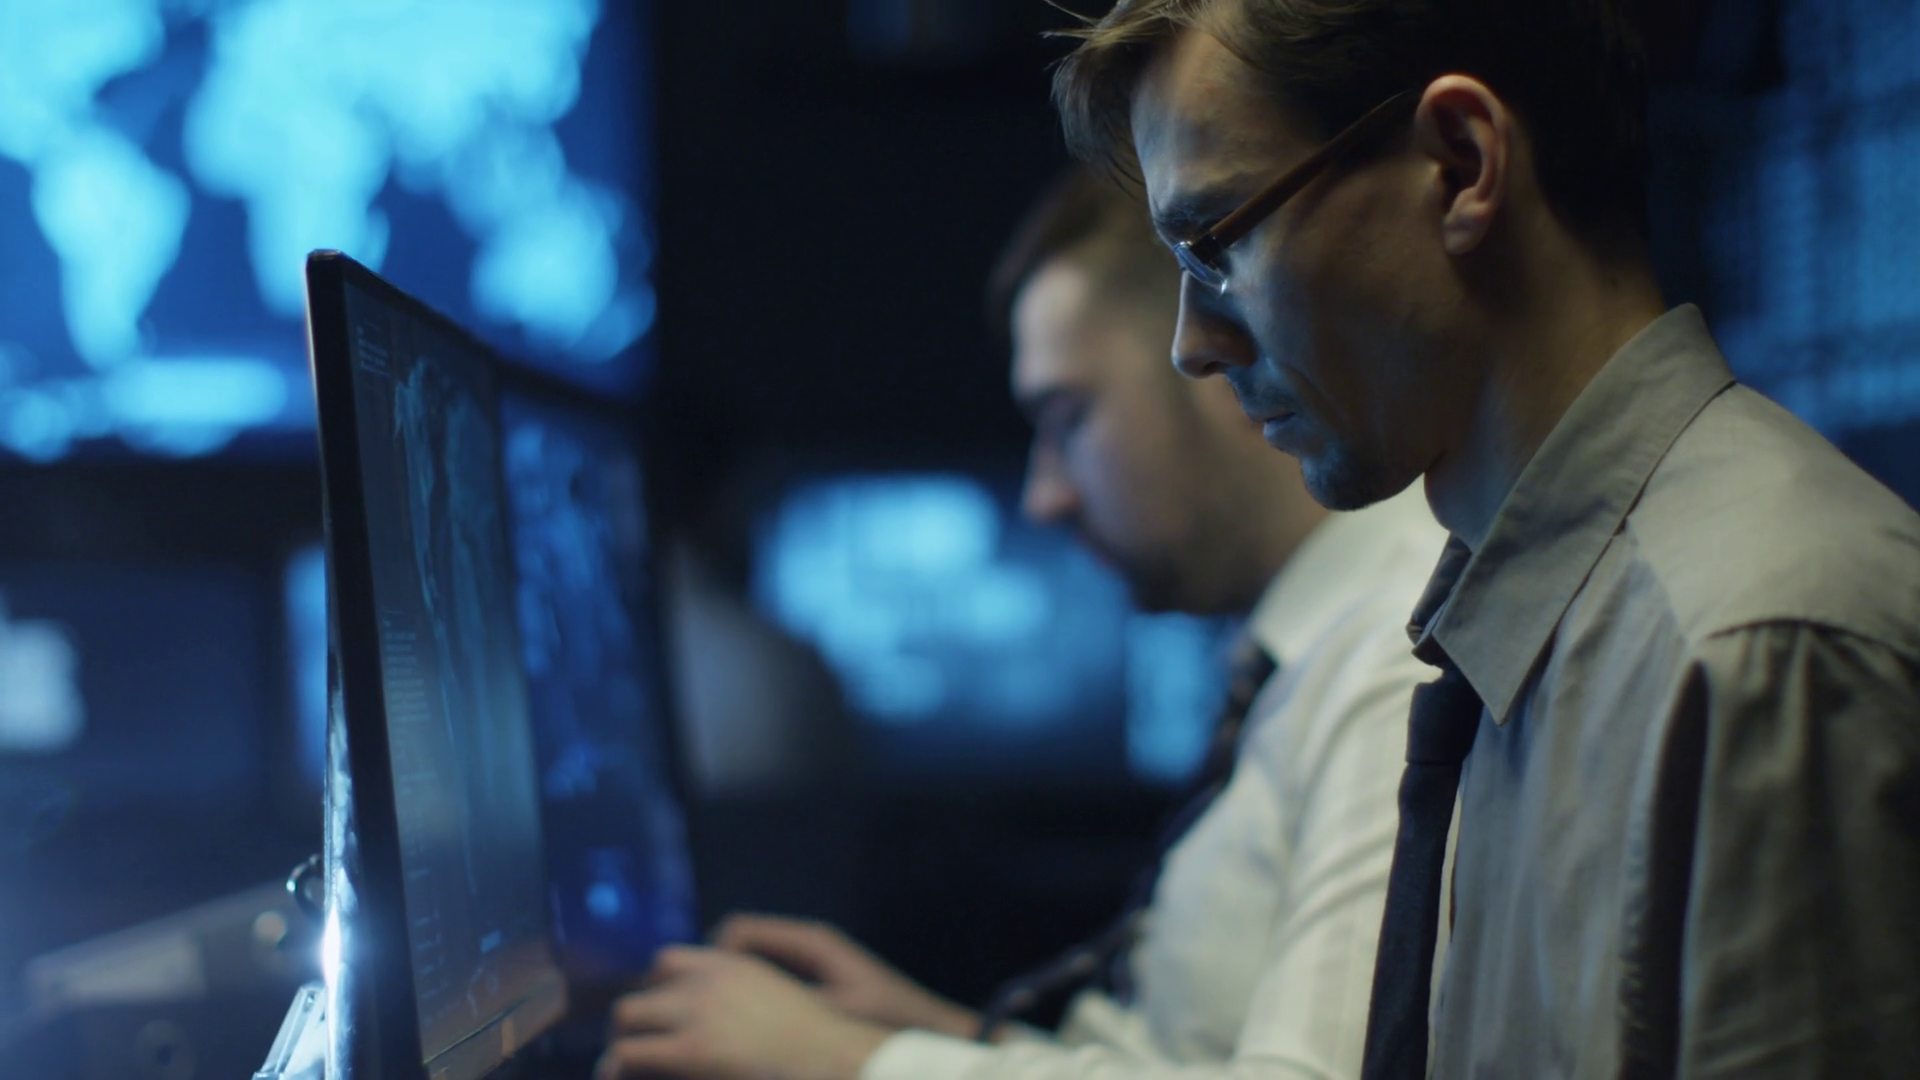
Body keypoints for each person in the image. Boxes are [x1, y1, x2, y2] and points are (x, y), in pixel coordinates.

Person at [1048, 0, 1920, 1075]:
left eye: (1218, 239)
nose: (1194, 343)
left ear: (1461, 165)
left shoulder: (1757, 644)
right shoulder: (1545, 616)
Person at [596, 169, 1448, 1080]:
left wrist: (856, 1061)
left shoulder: (1399, 650)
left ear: (1220, 356)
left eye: (1068, 418)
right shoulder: (1310, 656)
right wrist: (949, 1038)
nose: (1044, 497)